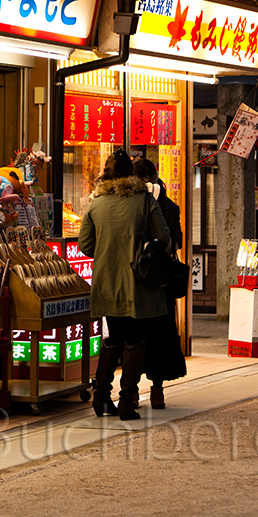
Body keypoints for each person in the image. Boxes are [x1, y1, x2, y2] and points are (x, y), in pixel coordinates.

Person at [79, 149, 171, 420]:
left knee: (113, 339)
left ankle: (101, 397)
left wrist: (108, 249)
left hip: (107, 280)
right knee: (135, 340)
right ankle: (127, 401)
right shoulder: (144, 200)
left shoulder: (96, 203)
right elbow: (163, 237)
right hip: (139, 282)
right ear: (131, 175)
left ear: (106, 174)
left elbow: (85, 245)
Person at [132, 157, 188, 409]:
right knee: (161, 334)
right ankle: (157, 391)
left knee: (134, 335)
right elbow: (177, 240)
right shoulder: (169, 205)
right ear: (155, 176)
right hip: (161, 280)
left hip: (135, 278)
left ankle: (131, 391)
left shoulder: (130, 205)